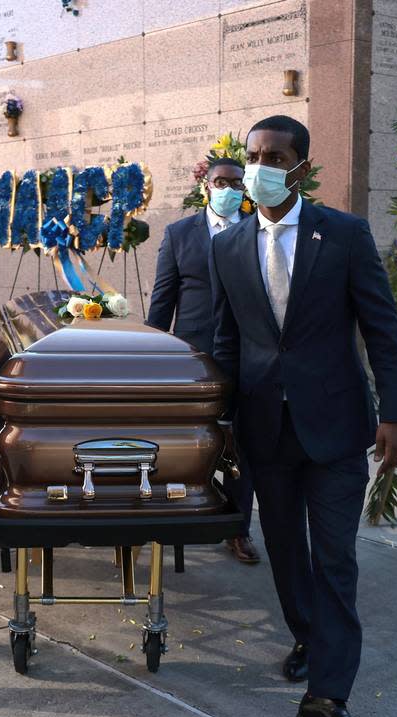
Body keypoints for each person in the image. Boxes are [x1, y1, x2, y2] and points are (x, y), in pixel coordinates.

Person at [210, 115, 397, 717]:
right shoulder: (228, 245)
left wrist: (395, 415)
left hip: (336, 426)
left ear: (301, 166)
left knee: (335, 560)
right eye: (253, 156)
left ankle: (327, 693)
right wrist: (217, 422)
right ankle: (306, 636)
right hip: (265, 429)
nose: (260, 168)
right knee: (287, 555)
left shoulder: (344, 235)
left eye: (274, 156)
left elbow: (383, 331)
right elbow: (225, 342)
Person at [147, 156, 259, 566]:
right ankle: (170, 515)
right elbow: (163, 299)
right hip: (193, 356)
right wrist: (151, 354)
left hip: (247, 356)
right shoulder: (180, 233)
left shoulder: (255, 230)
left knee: (238, 445)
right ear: (206, 186)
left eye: (236, 182)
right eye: (220, 182)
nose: (228, 189)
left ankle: (237, 529)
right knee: (183, 443)